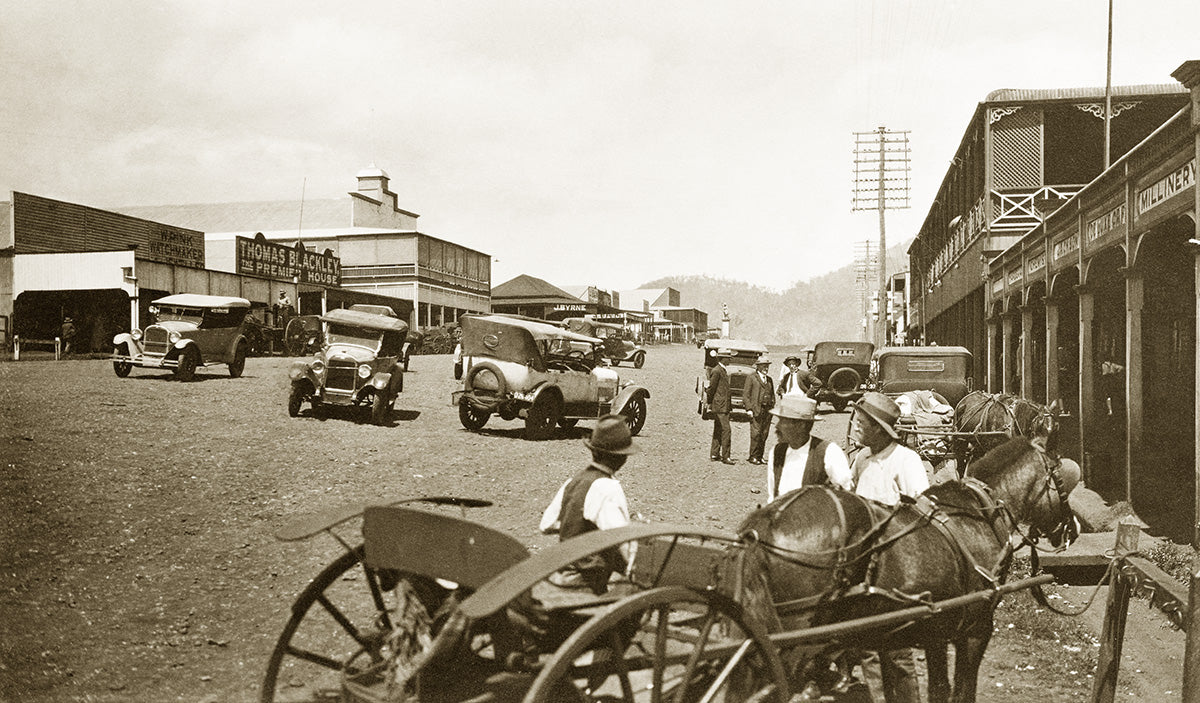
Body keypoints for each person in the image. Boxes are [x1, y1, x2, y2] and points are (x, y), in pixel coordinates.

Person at [848, 391, 929, 703]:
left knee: (897, 647)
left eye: (860, 423)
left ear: (879, 429)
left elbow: (922, 511)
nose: (855, 427)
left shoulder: (906, 461)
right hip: (863, 564)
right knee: (867, 646)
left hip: (894, 567)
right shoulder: (861, 460)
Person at [539, 415, 637, 594]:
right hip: (584, 584)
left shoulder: (574, 481)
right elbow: (622, 539)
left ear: (594, 451)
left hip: (559, 575)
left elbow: (546, 525)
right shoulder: (608, 488)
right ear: (622, 458)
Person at [766, 395, 852, 501]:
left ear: (800, 425)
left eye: (783, 421)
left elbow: (847, 495)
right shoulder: (776, 453)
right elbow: (772, 498)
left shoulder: (829, 452)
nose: (777, 426)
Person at [743, 357, 775, 464]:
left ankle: (760, 456)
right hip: (756, 410)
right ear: (758, 367)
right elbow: (746, 395)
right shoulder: (752, 378)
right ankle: (753, 456)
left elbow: (772, 395)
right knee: (755, 434)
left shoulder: (769, 380)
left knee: (764, 434)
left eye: (767, 366)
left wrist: (772, 406)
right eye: (763, 366)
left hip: (767, 411)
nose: (766, 368)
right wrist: (749, 409)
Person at [706, 349, 735, 464]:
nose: (729, 360)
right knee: (726, 430)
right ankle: (725, 456)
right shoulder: (717, 371)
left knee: (718, 429)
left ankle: (714, 454)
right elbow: (711, 389)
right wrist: (709, 403)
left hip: (722, 405)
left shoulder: (721, 370)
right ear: (723, 359)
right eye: (728, 358)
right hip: (720, 406)